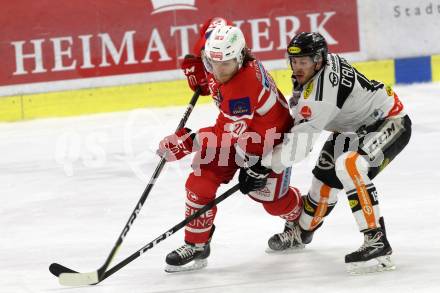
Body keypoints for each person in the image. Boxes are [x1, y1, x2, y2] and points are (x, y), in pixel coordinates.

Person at [157, 23, 303, 272]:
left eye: (225, 63)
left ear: (240, 57)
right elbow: (211, 23)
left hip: (267, 142)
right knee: (200, 181)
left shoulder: (242, 89)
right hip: (240, 134)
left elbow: (224, 135)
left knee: (270, 200)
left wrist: (187, 142)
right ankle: (197, 246)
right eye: (212, 63)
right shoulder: (221, 54)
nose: (218, 70)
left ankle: (301, 218)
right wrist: (195, 59)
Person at [262, 32, 412, 274]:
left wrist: (263, 166)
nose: (298, 67)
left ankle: (377, 240)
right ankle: (301, 233)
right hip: (352, 129)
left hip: (390, 122)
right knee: (323, 183)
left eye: (304, 62)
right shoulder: (318, 69)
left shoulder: (321, 94)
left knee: (350, 165)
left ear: (319, 60)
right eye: (295, 61)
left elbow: (299, 147)